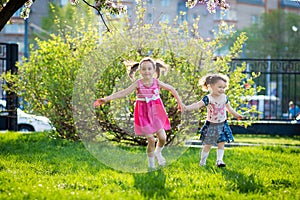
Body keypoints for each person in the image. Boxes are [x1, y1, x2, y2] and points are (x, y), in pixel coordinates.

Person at [94, 57, 184, 169]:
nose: (147, 71)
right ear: (140, 71)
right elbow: (123, 93)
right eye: (144, 69)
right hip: (143, 115)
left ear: (154, 70)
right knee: (151, 139)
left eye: (149, 69)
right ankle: (151, 165)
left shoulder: (157, 82)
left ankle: (158, 153)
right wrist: (106, 99)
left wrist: (180, 103)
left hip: (156, 114)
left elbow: (172, 89)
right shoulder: (138, 83)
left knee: (163, 138)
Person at [184, 74, 243, 167]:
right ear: (211, 86)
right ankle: (202, 162)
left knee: (221, 143)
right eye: (219, 87)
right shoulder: (208, 98)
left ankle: (219, 161)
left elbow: (229, 108)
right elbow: (198, 105)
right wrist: (186, 108)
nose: (222, 89)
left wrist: (236, 115)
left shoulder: (224, 97)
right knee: (208, 145)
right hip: (211, 125)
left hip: (222, 124)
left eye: (224, 87)